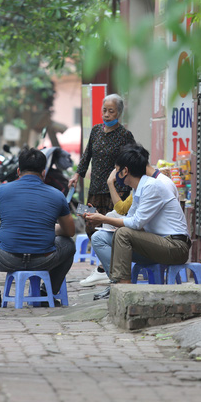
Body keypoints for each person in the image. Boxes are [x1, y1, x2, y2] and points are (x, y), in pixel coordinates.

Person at [0, 147, 76, 307]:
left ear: (18, 170)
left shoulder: (1, 191)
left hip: (6, 259)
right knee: (69, 246)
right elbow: (70, 232)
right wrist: (51, 229)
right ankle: (45, 294)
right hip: (45, 260)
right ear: (43, 172)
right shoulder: (57, 195)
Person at [84, 147, 191, 300]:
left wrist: (103, 219)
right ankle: (117, 283)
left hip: (175, 247)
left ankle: (125, 290)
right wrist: (99, 218)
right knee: (99, 238)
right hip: (154, 245)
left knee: (123, 233)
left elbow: (135, 223)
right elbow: (131, 218)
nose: (115, 174)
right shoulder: (137, 189)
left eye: (116, 170)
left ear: (125, 171)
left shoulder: (152, 186)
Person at [68, 94, 135, 286]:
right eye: (104, 110)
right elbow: (87, 154)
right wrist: (77, 175)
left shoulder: (125, 135)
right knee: (90, 224)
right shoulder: (96, 131)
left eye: (111, 111)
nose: (106, 114)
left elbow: (132, 159)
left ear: (119, 113)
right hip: (95, 189)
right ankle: (103, 267)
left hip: (117, 190)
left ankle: (103, 269)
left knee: (110, 229)